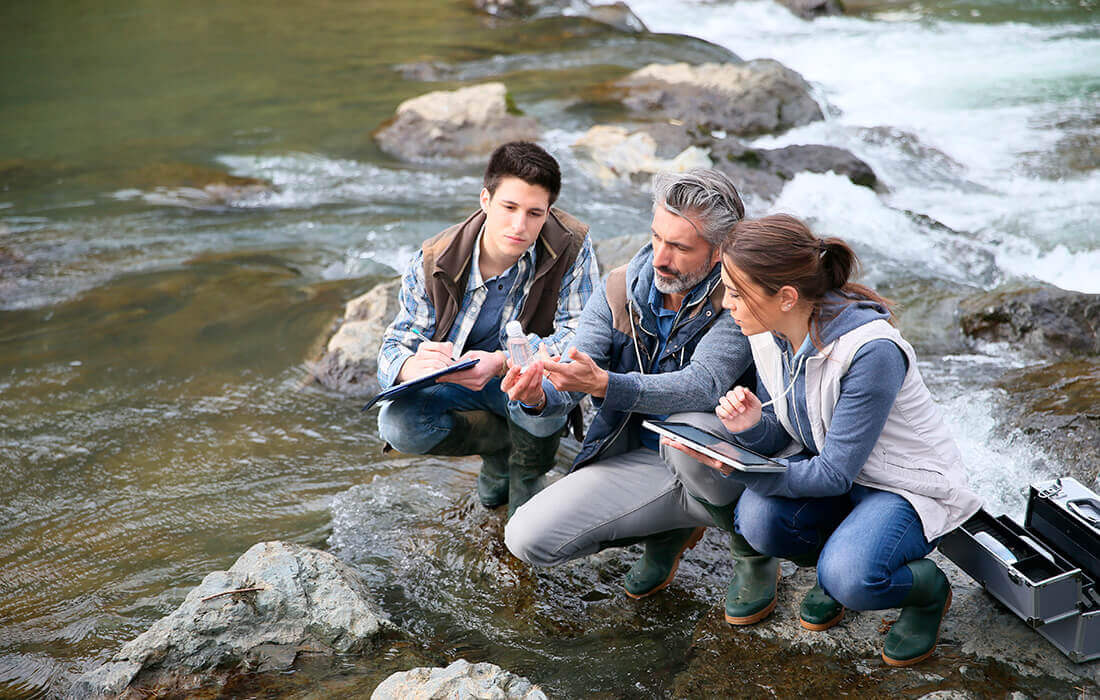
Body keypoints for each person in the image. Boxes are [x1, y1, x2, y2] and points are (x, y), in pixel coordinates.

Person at [662, 213, 982, 666]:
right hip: (843, 476)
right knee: (757, 520)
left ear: (787, 297)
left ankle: (927, 591)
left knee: (853, 577)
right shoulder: (771, 332)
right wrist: (752, 428)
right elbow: (796, 434)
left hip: (902, 486)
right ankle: (833, 569)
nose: (725, 303)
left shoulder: (871, 352)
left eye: (735, 292)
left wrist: (741, 468)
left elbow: (831, 475)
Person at [502, 168, 760, 600]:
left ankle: (752, 551)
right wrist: (538, 395)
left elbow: (703, 385)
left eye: (679, 247)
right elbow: (575, 374)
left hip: (719, 464)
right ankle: (668, 531)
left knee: (689, 427)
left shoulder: (742, 297)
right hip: (639, 460)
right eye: (657, 237)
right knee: (527, 537)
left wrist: (607, 385)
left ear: (719, 252)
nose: (660, 257)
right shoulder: (619, 288)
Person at [376, 141, 599, 516]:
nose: (519, 225)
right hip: (461, 385)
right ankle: (499, 453)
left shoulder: (571, 246)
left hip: (522, 380)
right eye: (509, 208)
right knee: (398, 423)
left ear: (548, 212)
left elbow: (580, 337)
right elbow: (395, 344)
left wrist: (500, 362)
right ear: (485, 199)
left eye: (534, 213)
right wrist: (410, 366)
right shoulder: (435, 258)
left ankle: (529, 471)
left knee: (545, 377)